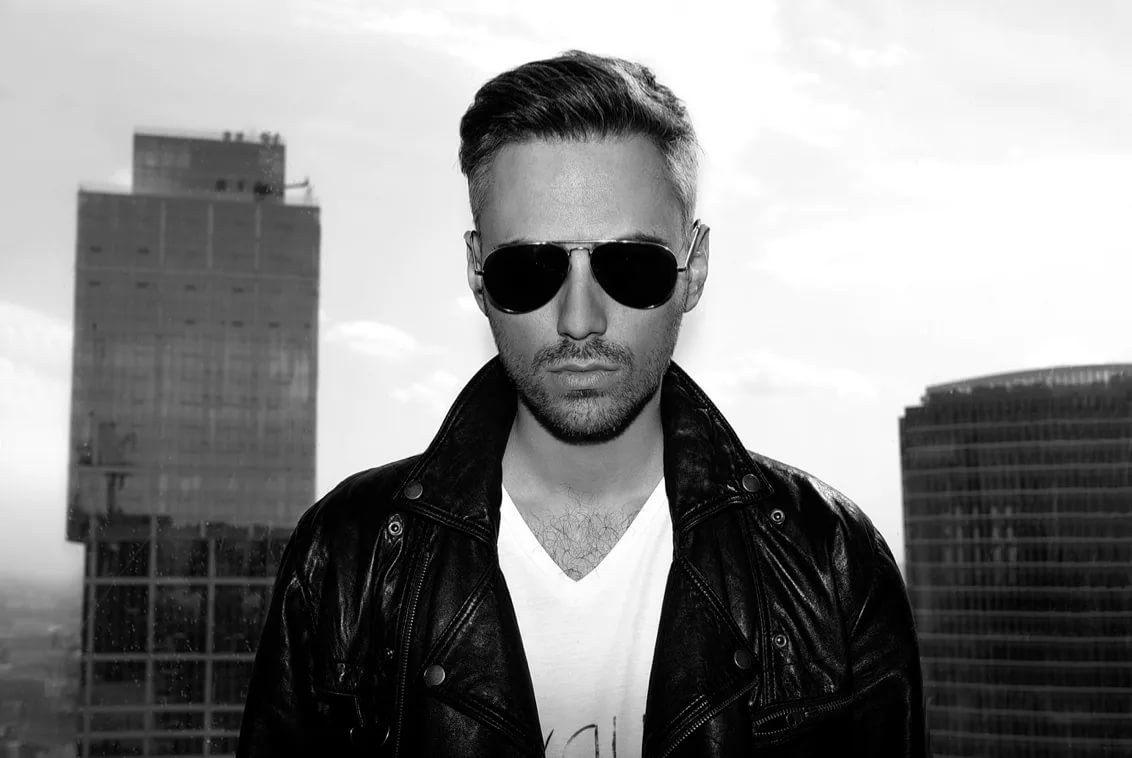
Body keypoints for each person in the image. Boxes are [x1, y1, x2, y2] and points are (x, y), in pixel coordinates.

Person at [237, 50, 928, 758]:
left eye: (631, 266)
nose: (579, 319)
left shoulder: (830, 562)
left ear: (695, 270)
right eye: (528, 269)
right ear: (476, 274)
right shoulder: (345, 558)